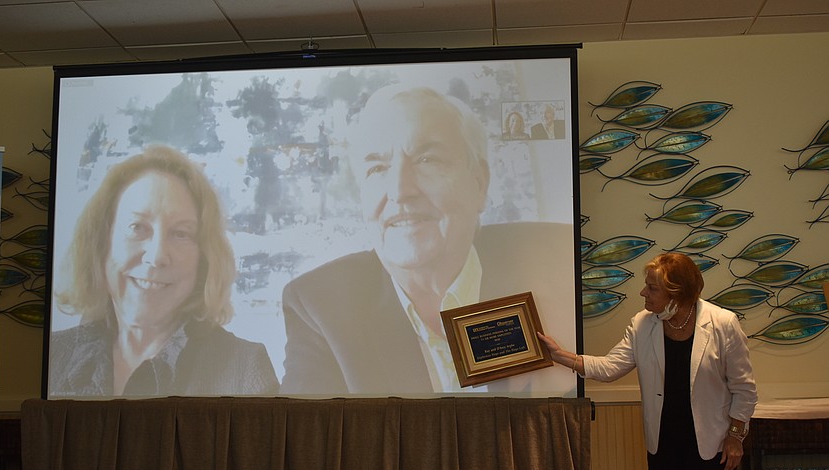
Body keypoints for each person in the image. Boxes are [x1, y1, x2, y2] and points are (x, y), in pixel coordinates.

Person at [279, 85, 572, 395]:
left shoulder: (552, 266)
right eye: (377, 168)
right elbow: (305, 433)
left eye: (427, 160)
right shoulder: (320, 305)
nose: (400, 190)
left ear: (479, 182)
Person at [537, 252, 757, 470]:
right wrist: (562, 356)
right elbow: (611, 366)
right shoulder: (643, 324)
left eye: (652, 288)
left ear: (676, 293)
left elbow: (745, 388)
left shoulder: (722, 323)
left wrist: (736, 437)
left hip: (711, 444)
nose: (643, 293)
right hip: (663, 443)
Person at [50, 145, 279, 398]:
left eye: (181, 233)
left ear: (203, 258)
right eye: (137, 227)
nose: (157, 256)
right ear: (101, 242)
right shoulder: (53, 355)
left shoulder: (245, 369)